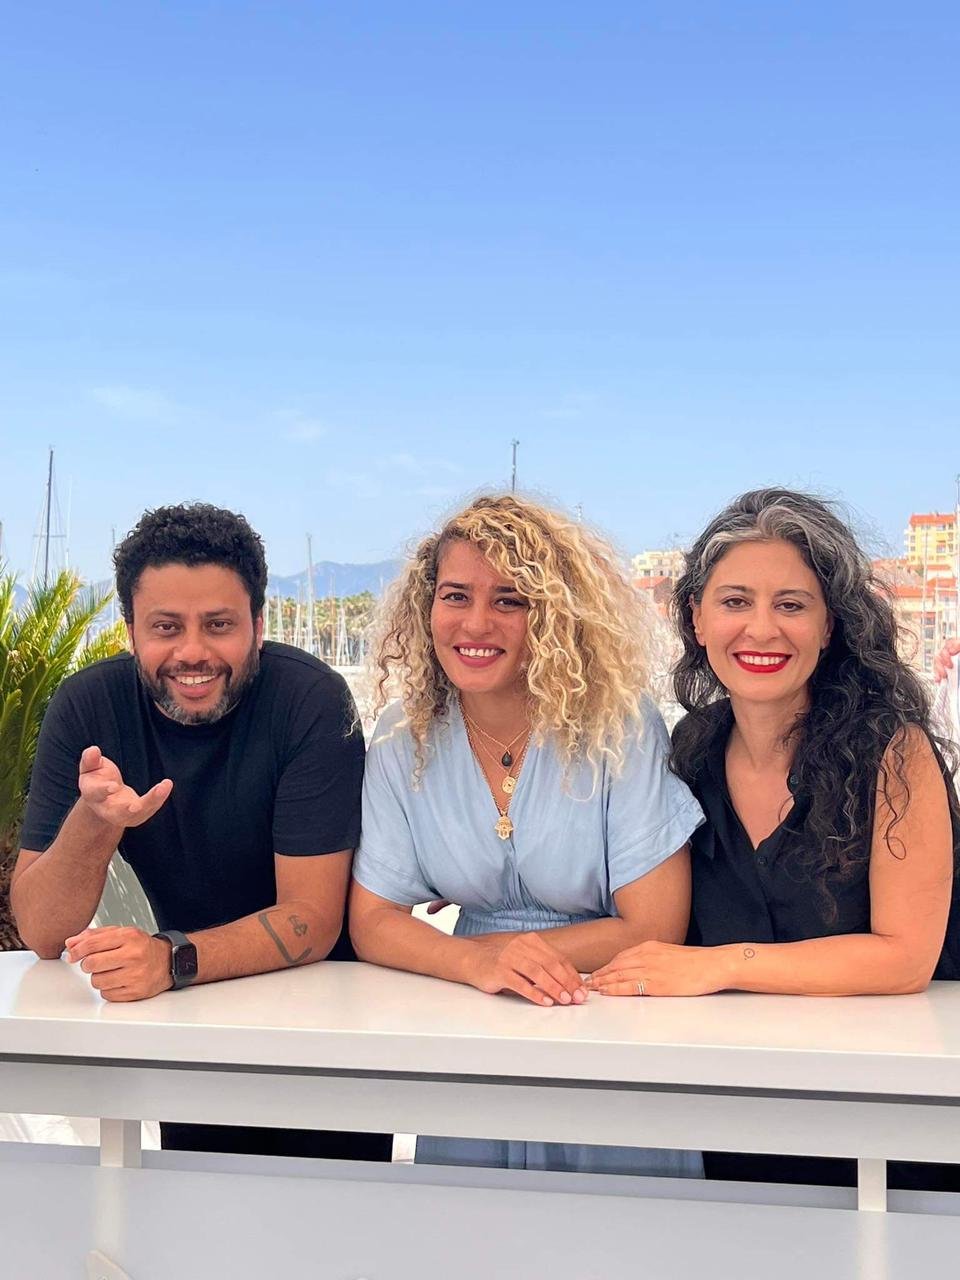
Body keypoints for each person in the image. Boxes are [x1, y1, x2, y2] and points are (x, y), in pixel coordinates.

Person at [587, 487, 960, 1189]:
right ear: (696, 618)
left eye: (791, 605)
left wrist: (721, 966)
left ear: (830, 626)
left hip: (888, 1115)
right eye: (735, 601)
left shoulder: (894, 750)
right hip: (738, 1106)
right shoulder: (690, 750)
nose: (762, 629)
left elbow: (905, 958)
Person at [11, 502, 390, 1162]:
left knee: (344, 1216)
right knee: (196, 1207)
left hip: (326, 1025)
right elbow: (42, 932)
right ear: (131, 631)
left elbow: (312, 918)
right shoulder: (88, 707)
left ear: (258, 626)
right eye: (166, 627)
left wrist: (171, 959)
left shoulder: (309, 701)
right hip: (189, 1024)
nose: (192, 652)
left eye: (219, 625)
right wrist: (94, 823)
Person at [349, 493, 703, 1174]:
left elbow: (656, 927)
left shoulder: (618, 723)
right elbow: (371, 921)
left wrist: (486, 956)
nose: (476, 623)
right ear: (427, 608)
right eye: (456, 595)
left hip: (612, 1018)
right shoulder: (402, 737)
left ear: (554, 615)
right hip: (476, 1024)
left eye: (510, 600)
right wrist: (476, 965)